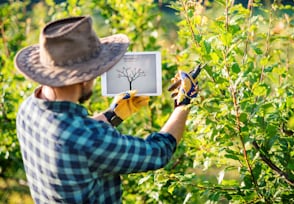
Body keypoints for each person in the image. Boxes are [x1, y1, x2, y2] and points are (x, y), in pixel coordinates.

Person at [14, 16, 198, 203]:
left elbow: (72, 136)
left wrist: (112, 116)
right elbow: (158, 152)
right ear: (85, 78)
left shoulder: (28, 109)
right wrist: (184, 103)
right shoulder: (90, 139)